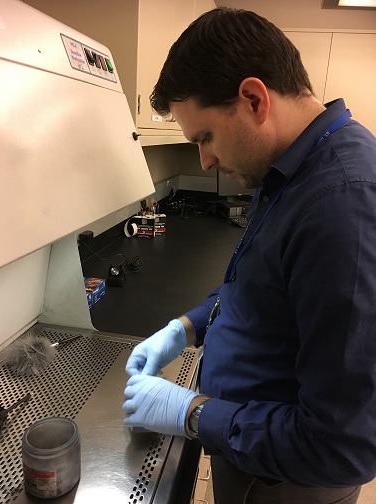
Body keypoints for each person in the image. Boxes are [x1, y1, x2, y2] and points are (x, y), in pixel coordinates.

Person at [123, 7, 376, 504]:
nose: (205, 160)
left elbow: (343, 445)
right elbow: (258, 282)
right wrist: (187, 326)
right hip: (248, 444)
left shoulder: (344, 204)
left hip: (286, 479)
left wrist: (192, 411)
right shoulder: (287, 168)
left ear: (254, 99)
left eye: (205, 137)